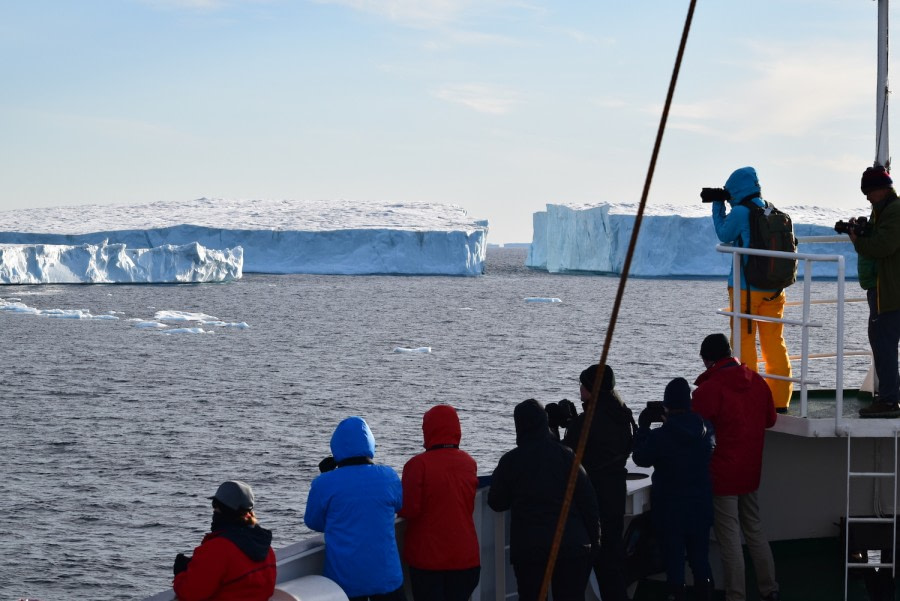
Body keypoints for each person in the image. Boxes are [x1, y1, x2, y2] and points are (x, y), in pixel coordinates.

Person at [691, 333, 779, 601]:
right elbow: (770, 420)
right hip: (751, 472)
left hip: (722, 475)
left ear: (708, 361)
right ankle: (769, 589)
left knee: (729, 537)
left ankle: (736, 596)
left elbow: (694, 431)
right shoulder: (758, 382)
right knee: (754, 529)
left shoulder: (709, 390)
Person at [488, 398, 600, 601]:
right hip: (571, 545)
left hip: (531, 549)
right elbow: (588, 501)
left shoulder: (511, 461)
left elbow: (496, 502)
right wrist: (595, 541)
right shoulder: (567, 456)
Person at [710, 166, 793, 412]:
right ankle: (780, 399)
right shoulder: (770, 209)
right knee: (774, 342)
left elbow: (724, 234)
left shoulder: (741, 212)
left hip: (746, 288)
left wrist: (717, 205)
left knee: (744, 341)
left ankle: (749, 398)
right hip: (775, 289)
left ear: (735, 189)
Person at [304, 416, 406, 601]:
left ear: (336, 447)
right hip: (387, 578)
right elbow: (398, 505)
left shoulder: (324, 483)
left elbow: (314, 521)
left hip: (344, 582)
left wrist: (327, 475)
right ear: (370, 443)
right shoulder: (388, 477)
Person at [632, 378, 716, 601]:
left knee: (674, 562)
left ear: (667, 404)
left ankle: (676, 595)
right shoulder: (706, 429)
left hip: (670, 510)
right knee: (700, 560)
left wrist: (643, 428)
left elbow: (640, 457)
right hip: (701, 508)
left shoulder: (661, 436)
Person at [562, 364, 633, 601]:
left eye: (583, 385)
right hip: (616, 494)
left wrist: (568, 425)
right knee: (611, 562)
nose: (580, 389)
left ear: (592, 388)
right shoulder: (622, 415)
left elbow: (568, 453)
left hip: (594, 497)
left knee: (587, 564)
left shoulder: (587, 420)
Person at [399, 404, 481, 601]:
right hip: (466, 560)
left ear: (428, 430)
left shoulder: (417, 465)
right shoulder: (469, 463)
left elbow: (408, 509)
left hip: (429, 561)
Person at [172, 480, 277, 601]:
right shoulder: (264, 545)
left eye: (216, 507)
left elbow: (190, 593)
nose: (214, 512)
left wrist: (180, 574)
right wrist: (197, 565)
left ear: (226, 511)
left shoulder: (217, 549)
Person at [851, 165, 900, 417]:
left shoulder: (893, 212)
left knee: (884, 345)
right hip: (885, 290)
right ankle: (890, 397)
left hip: (889, 293)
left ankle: (890, 401)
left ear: (881, 190)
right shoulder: (884, 211)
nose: (867, 197)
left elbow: (884, 246)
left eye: (869, 192)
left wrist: (859, 241)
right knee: (883, 343)